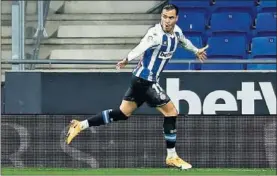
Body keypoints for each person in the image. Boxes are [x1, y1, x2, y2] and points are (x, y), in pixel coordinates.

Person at [66, 4, 208, 170]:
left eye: (170, 18)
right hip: (144, 80)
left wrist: (196, 51)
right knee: (171, 112)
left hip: (139, 80)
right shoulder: (155, 34)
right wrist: (127, 59)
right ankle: (172, 157)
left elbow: (184, 42)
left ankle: (80, 125)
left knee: (123, 113)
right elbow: (141, 46)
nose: (166, 21)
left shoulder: (176, 32)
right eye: (164, 17)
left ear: (176, 18)